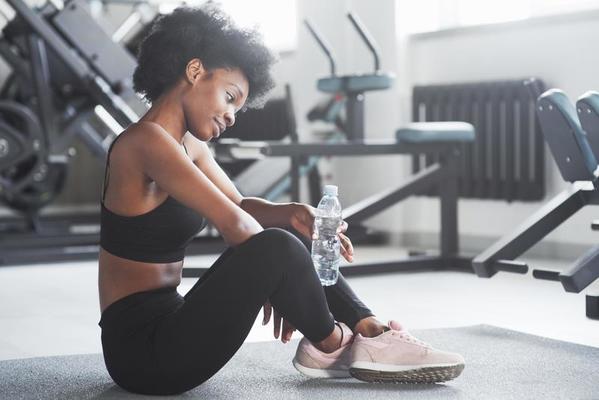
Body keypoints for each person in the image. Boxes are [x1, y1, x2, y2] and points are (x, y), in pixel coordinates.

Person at [98, 5, 464, 395]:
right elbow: (236, 227)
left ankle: (369, 329)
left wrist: (292, 214)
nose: (232, 117)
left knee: (285, 233)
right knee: (276, 245)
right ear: (194, 71)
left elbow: (240, 207)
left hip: (177, 319)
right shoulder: (144, 141)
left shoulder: (189, 145)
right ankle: (332, 343)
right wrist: (281, 276)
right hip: (142, 353)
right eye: (230, 96)